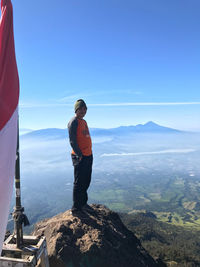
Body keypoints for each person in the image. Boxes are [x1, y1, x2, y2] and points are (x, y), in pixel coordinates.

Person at [68, 99, 93, 215]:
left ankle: (83, 203)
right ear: (76, 110)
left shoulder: (84, 121)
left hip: (88, 155)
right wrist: (79, 155)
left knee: (86, 181)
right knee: (79, 182)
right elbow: (72, 141)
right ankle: (76, 208)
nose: (83, 111)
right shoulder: (74, 122)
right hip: (80, 156)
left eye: (85, 109)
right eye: (81, 109)